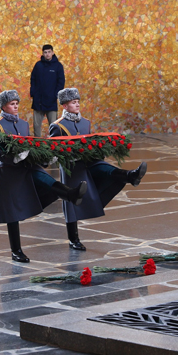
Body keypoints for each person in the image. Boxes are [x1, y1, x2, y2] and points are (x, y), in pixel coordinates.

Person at [0, 90, 86, 263]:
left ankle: (70, 194)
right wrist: (14, 157)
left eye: (17, 103)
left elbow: (31, 145)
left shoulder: (23, 124)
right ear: (3, 107)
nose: (16, 106)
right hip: (10, 171)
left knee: (47, 180)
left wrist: (43, 158)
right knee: (12, 212)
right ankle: (16, 250)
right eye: (12, 104)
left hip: (28, 165)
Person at [49, 88, 147, 250]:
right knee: (72, 202)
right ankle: (74, 239)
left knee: (104, 168)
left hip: (88, 161)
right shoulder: (57, 126)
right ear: (65, 106)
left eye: (78, 102)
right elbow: (54, 149)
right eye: (73, 102)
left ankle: (130, 176)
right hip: (71, 166)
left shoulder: (85, 123)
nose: (77, 105)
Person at [29, 44, 65, 137]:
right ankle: (37, 143)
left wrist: (55, 95)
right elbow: (33, 79)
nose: (47, 54)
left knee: (54, 126)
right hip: (38, 101)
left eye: (49, 52)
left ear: (52, 52)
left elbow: (61, 83)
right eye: (45, 52)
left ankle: (54, 144)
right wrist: (33, 93)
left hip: (51, 101)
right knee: (36, 126)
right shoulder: (38, 65)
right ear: (43, 53)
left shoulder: (58, 66)